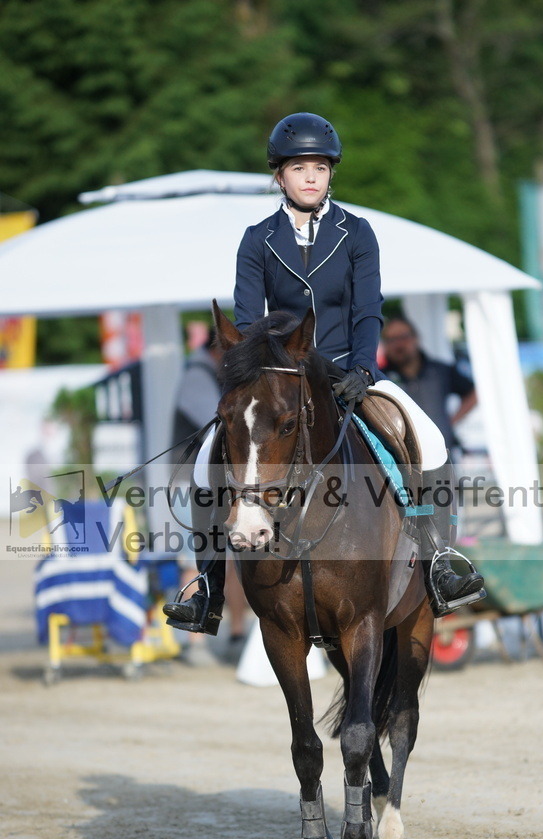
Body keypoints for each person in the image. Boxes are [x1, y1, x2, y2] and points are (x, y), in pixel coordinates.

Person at [164, 111, 484, 633]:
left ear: (331, 172)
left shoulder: (356, 233)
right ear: (279, 176)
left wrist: (362, 367)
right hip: (280, 377)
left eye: (319, 167)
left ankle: (440, 558)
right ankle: (208, 584)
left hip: (348, 373)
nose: (310, 177)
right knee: (206, 461)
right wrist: (267, 373)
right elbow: (248, 320)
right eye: (299, 168)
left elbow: (367, 309)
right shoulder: (257, 239)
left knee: (429, 437)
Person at [169, 326, 247, 662]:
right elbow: (222, 422)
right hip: (190, 487)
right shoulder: (197, 375)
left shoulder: (211, 373)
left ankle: (236, 634)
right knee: (194, 560)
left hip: (217, 486)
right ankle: (194, 641)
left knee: (236, 560)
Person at [382, 316, 478, 448]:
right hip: (401, 456)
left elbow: (473, 394)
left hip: (442, 452)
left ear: (416, 338)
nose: (398, 344)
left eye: (403, 337)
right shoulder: (380, 378)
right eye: (391, 340)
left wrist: (450, 423)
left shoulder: (440, 371)